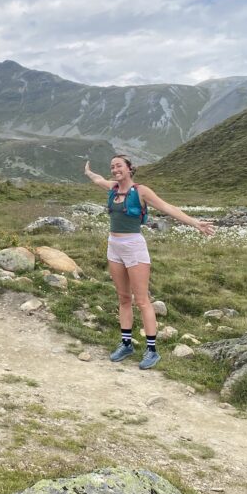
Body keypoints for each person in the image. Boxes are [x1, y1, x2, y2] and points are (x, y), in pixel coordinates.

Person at [83, 155, 214, 369]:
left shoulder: (141, 191)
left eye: (119, 166)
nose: (115, 169)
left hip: (134, 246)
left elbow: (167, 207)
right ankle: (126, 344)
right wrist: (89, 173)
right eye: (112, 166)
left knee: (142, 300)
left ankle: (152, 351)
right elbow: (98, 180)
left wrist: (195, 222)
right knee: (123, 298)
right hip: (113, 246)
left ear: (129, 169)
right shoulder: (113, 188)